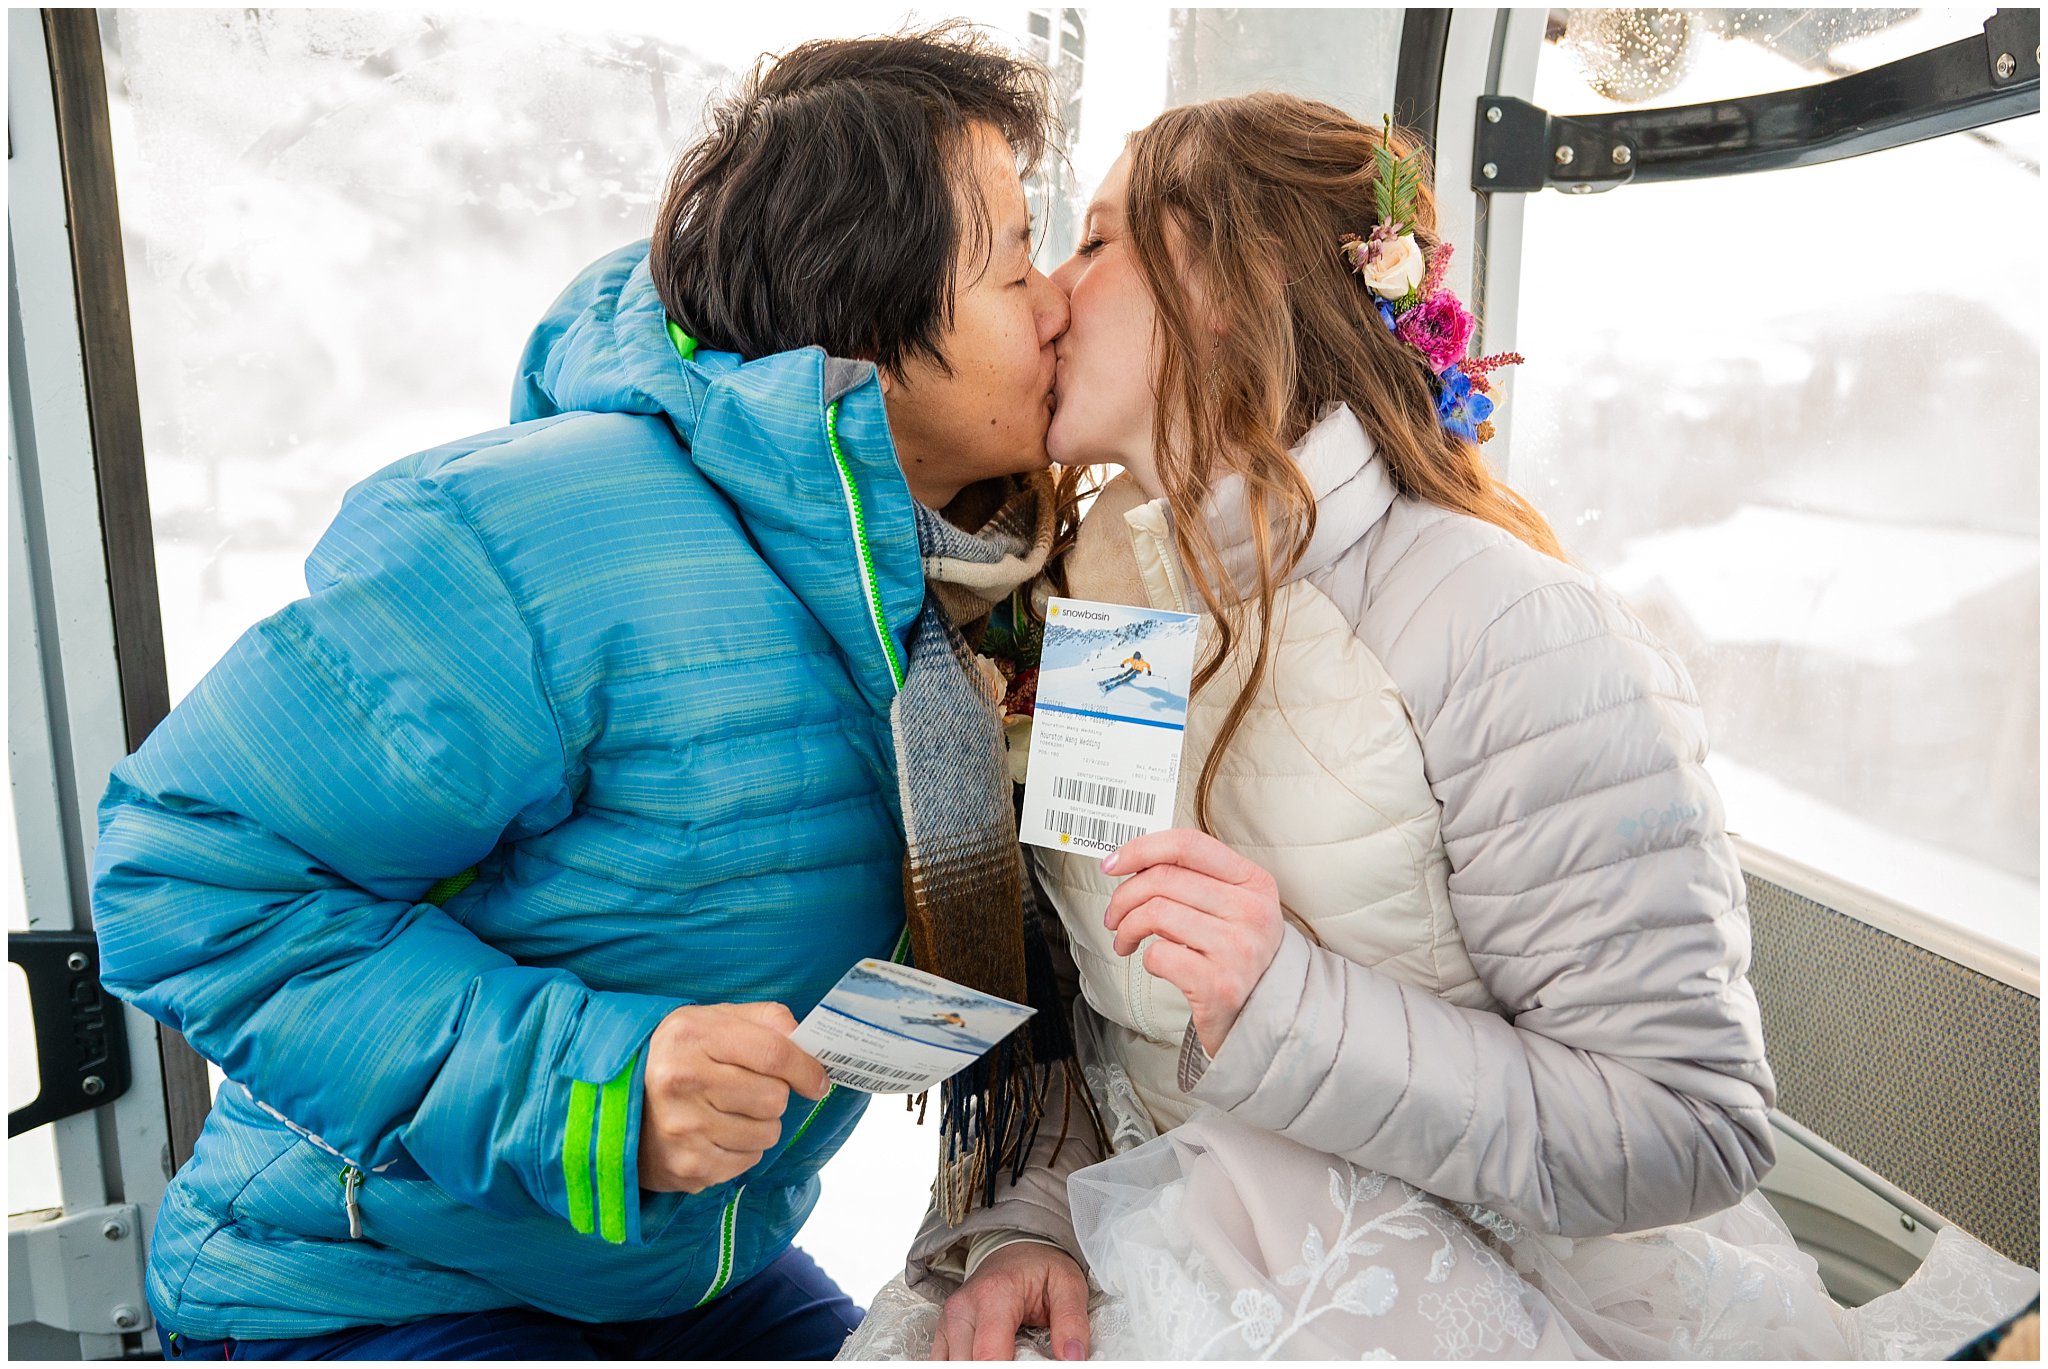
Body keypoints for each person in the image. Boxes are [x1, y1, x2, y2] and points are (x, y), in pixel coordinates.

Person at [842, 94, 2038, 1360]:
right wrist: (1031, 1224)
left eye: (1092, 243)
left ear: (1225, 285)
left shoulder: (1511, 630)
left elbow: (1693, 1126)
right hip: (1145, 1244)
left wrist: (1286, 1007)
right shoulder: (1103, 601)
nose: (1053, 296)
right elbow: (1103, 1011)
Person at [89, 25, 1075, 1360]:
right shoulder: (531, 541)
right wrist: (597, 1093)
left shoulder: (985, 584)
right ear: (871, 318)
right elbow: (183, 873)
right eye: (1017, 261)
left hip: (685, 1279)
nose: (1060, 297)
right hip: (374, 1292)